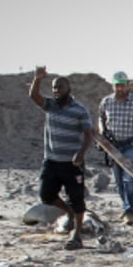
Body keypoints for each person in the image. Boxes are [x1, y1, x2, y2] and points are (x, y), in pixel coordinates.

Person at [29, 66, 93, 250]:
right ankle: (70, 213)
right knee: (46, 195)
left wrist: (81, 153)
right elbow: (34, 97)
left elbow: (88, 134)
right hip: (51, 161)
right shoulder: (50, 105)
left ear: (68, 89)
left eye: (60, 88)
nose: (57, 91)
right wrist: (38, 79)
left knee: (77, 198)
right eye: (55, 88)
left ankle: (77, 235)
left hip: (72, 163)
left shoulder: (79, 110)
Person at [97, 71, 133, 225]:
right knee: (118, 180)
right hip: (113, 145)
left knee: (130, 177)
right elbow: (101, 118)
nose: (120, 88)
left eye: (122, 85)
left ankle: (129, 210)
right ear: (112, 85)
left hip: (131, 143)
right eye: (117, 85)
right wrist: (102, 132)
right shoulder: (106, 102)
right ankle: (125, 206)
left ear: (128, 85)